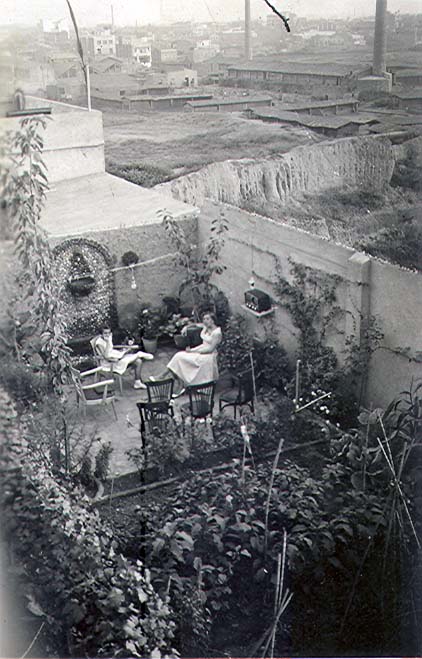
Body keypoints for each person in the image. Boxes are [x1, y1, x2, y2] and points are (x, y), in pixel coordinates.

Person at [151, 312, 222, 397]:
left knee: (180, 357)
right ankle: (170, 379)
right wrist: (186, 327)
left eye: (208, 319)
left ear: (213, 320)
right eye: (204, 319)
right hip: (200, 350)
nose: (205, 321)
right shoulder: (206, 327)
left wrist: (192, 351)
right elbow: (196, 325)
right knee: (178, 356)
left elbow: (210, 349)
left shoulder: (217, 333)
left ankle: (167, 378)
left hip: (208, 356)